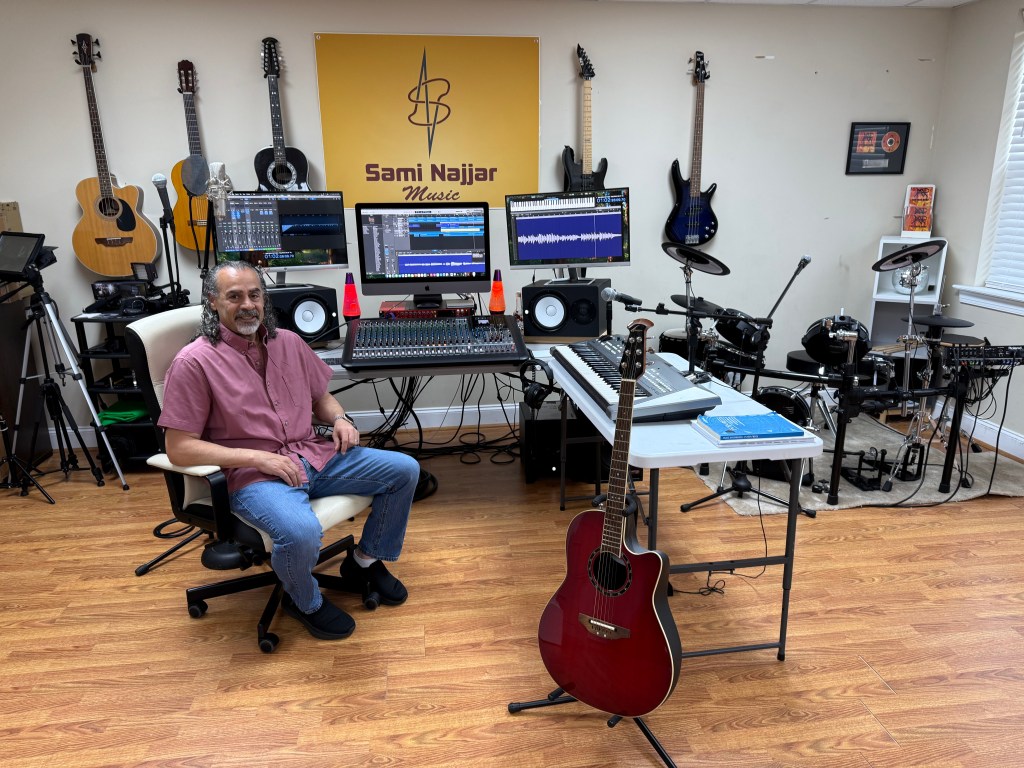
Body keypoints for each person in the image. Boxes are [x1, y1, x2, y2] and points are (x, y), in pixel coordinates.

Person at [158, 261, 420, 640]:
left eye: (254, 295)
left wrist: (340, 419)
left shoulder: (289, 342)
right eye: (234, 296)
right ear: (213, 301)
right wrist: (257, 457)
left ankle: (363, 563)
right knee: (299, 532)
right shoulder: (194, 362)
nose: (247, 305)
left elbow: (321, 397)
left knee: (405, 471)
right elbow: (179, 448)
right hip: (255, 475)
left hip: (311, 453)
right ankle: (304, 600)